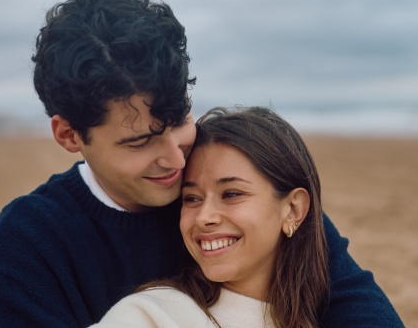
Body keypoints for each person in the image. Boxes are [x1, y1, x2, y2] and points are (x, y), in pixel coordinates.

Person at [0, 0, 404, 327]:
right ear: (69, 135)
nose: (178, 160)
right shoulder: (28, 243)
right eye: (140, 141)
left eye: (178, 120)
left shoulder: (228, 174)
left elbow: (358, 306)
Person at [92, 106, 329, 327]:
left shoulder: (325, 315)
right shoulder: (149, 316)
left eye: (232, 194)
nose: (204, 217)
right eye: (192, 198)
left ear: (293, 210)